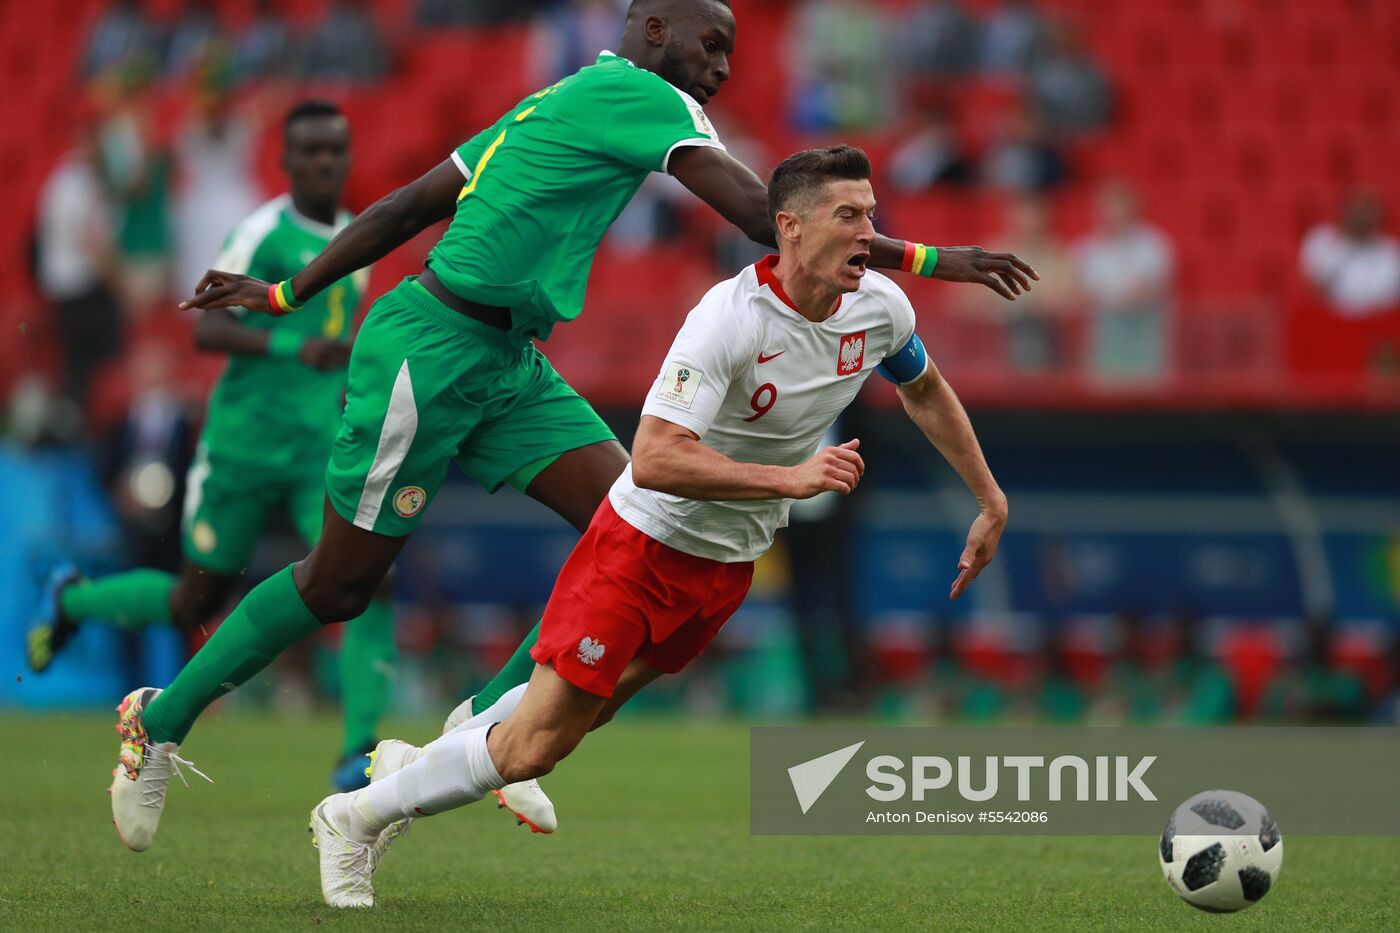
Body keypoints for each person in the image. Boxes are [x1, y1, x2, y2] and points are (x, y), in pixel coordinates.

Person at [113, 0, 1036, 855]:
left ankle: (484, 722)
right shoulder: (636, 94)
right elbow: (769, 216)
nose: (720, 66)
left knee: (623, 524)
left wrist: (286, 289)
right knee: (340, 585)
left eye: (731, 53)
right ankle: (159, 722)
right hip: (428, 348)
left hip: (508, 359)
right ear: (654, 29)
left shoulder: (566, 100)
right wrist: (935, 258)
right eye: (708, 44)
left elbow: (407, 203)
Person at [309, 146, 1009, 908]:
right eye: (850, 215)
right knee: (535, 744)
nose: (871, 233)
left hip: (724, 565)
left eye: (872, 214)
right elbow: (652, 458)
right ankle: (353, 814)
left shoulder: (882, 307)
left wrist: (989, 497)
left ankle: (429, 756)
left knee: (586, 713)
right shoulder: (728, 319)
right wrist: (791, 479)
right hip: (642, 545)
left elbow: (927, 391)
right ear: (792, 228)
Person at [30, 101, 398, 801]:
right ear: (286, 161)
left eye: (335, 151)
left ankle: (359, 748)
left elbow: (343, 342)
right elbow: (206, 328)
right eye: (310, 152)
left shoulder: (357, 239)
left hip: (317, 444)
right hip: (239, 445)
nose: (324, 162)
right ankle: (76, 600)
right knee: (194, 599)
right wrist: (295, 343)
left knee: (366, 574)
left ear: (348, 158)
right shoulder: (260, 232)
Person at [1299, 189, 1400, 318]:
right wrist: (1346, 242)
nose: (1361, 218)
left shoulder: (1391, 250)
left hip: (1377, 325)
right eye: (1356, 211)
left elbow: (1392, 299)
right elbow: (1315, 288)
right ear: (1344, 211)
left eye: (1367, 211)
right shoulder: (1321, 239)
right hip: (1329, 322)